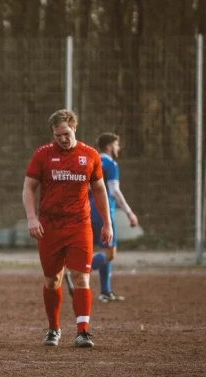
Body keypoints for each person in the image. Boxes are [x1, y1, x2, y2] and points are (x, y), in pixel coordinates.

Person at [22, 109, 113, 348]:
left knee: (81, 277)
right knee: (53, 280)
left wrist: (107, 222)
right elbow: (29, 188)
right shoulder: (42, 155)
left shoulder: (90, 155)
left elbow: (100, 190)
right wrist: (32, 218)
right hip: (49, 227)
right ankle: (53, 329)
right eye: (57, 134)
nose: (62, 138)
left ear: (75, 128)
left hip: (79, 225)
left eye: (66, 133)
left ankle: (83, 331)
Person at [86, 132, 139, 302]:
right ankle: (79, 272)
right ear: (109, 147)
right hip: (104, 212)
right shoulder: (110, 164)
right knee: (110, 254)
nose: (118, 148)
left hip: (88, 212)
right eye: (116, 145)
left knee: (104, 251)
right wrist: (130, 212)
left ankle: (105, 291)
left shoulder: (91, 162)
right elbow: (114, 191)